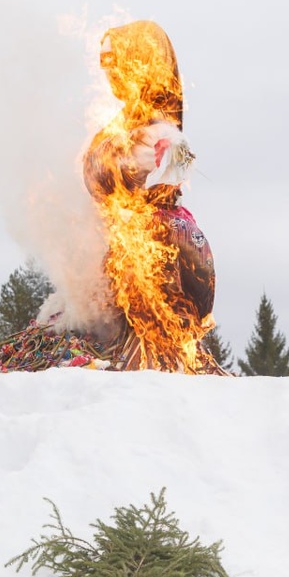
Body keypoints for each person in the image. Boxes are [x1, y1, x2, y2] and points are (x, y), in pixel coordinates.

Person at [82, 20, 220, 373]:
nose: (108, 72)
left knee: (153, 347)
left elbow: (139, 180)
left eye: (114, 61)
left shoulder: (158, 133)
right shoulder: (126, 127)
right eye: (103, 63)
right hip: (131, 242)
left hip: (157, 248)